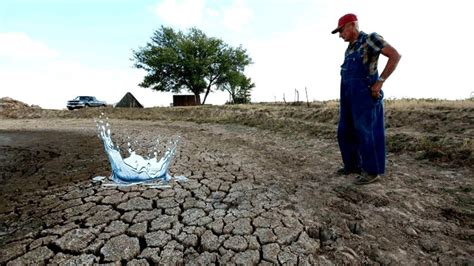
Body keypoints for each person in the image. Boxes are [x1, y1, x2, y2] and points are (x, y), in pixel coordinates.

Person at [332, 13, 401, 185]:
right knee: (344, 130)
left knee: (366, 131)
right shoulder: (349, 49)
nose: (340, 35)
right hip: (348, 94)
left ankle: (372, 171)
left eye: (341, 31)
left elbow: (395, 55)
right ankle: (352, 165)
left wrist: (380, 82)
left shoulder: (370, 39)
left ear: (352, 25)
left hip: (364, 93)